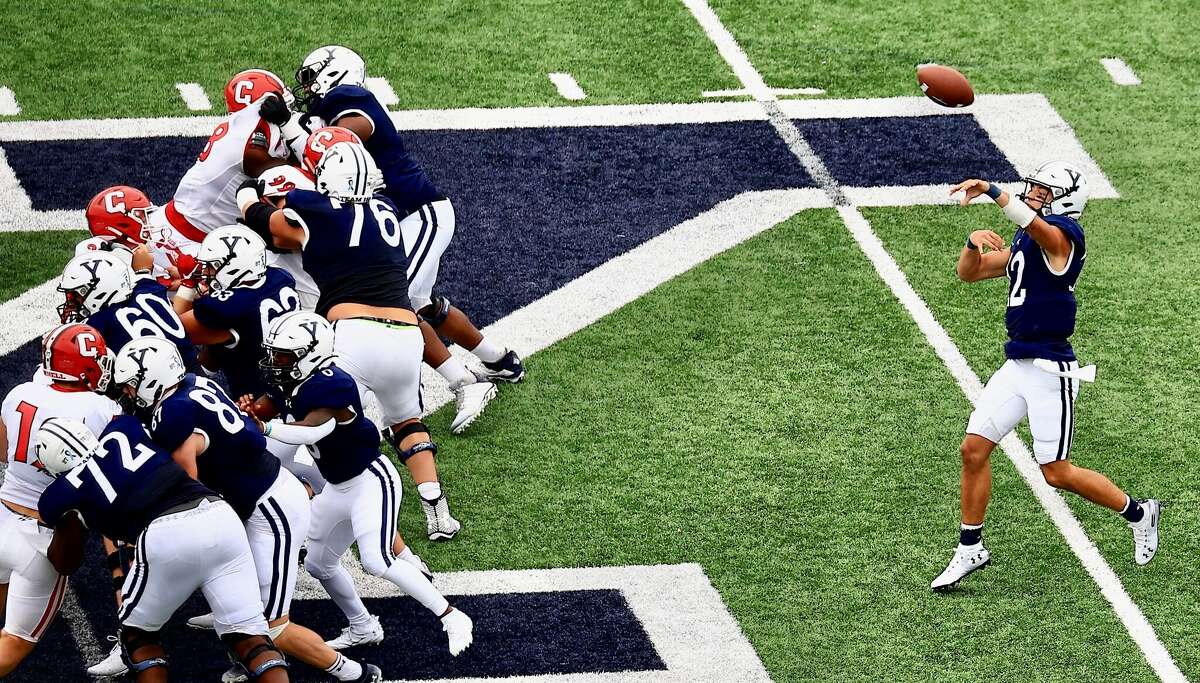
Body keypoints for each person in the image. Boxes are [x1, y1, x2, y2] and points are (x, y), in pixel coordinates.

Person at [931, 162, 1160, 591]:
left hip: (1050, 369)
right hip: (1016, 364)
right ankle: (970, 547)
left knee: (1055, 472)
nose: (1033, 194)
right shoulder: (1028, 237)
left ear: (1065, 198)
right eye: (1032, 188)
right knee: (973, 449)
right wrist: (971, 243)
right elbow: (971, 272)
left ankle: (1140, 512)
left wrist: (991, 190)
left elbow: (1034, 223)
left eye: (1042, 189)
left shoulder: (1065, 238)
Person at [110, 337, 379, 682]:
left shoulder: (171, 414)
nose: (129, 394)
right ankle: (241, 643)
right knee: (239, 606)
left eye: (133, 386)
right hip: (253, 500)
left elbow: (183, 485)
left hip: (272, 510)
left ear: (152, 379)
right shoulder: (193, 384)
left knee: (273, 626)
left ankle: (354, 673)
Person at [237, 140, 460, 540]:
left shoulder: (316, 208)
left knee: (328, 420)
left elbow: (267, 224)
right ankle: (436, 508)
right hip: (406, 335)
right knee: (408, 422)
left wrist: (248, 190)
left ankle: (340, 508)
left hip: (352, 331)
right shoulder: (386, 210)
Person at [290, 46, 524, 414]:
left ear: (333, 73)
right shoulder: (330, 107)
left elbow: (347, 135)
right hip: (402, 217)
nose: (306, 90)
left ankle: (463, 383)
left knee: (393, 307)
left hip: (420, 212)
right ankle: (499, 361)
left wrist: (295, 132)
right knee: (419, 303)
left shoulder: (349, 98)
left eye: (310, 78)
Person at [246, 311, 473, 655]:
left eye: (283, 355)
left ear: (310, 353)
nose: (275, 362)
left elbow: (315, 428)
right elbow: (277, 412)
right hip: (338, 486)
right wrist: (249, 413)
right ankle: (363, 626)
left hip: (370, 479)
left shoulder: (333, 383)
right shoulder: (296, 380)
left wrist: (265, 428)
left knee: (377, 560)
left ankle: (452, 616)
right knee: (319, 564)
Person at [35, 415, 289, 682]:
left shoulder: (59, 495)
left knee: (137, 637)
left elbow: (65, 563)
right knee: (252, 638)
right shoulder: (123, 428)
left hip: (166, 533)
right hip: (219, 515)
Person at [0, 324, 119, 677]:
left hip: (3, 513)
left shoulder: (20, 392)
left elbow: (4, 450)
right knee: (16, 640)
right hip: (42, 538)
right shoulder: (102, 408)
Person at [57, 250, 198, 375]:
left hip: (155, 392)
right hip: (196, 375)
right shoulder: (148, 287)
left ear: (99, 292)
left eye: (76, 295)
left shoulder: (96, 324)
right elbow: (144, 267)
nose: (71, 301)